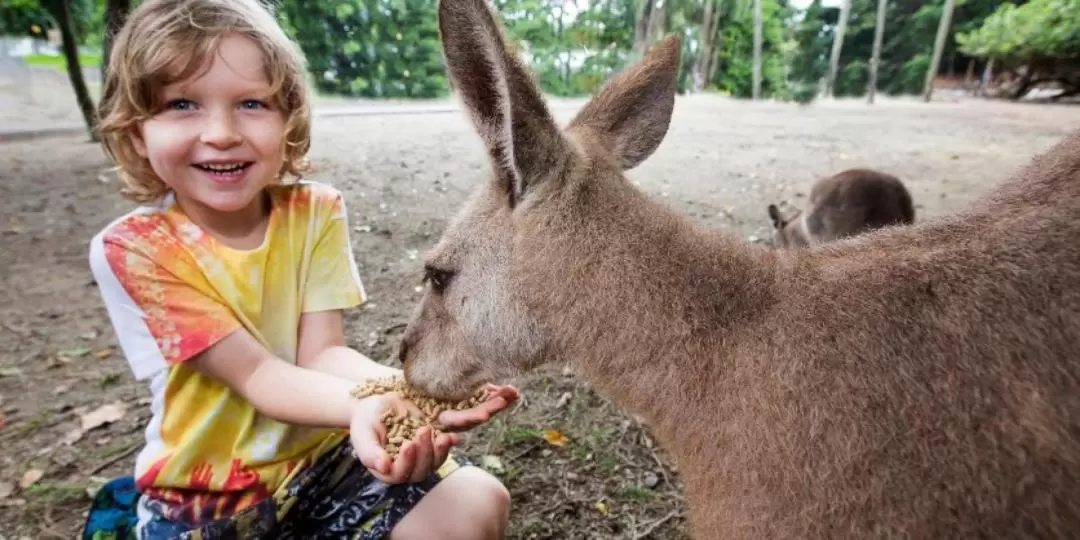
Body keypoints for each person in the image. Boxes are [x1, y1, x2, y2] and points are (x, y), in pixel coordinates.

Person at [82, 0, 518, 538]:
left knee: (477, 502)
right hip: (210, 498)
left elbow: (322, 354)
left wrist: (420, 391)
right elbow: (258, 377)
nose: (221, 132)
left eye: (251, 103)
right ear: (135, 134)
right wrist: (374, 408)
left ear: (289, 119)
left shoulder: (314, 211)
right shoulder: (136, 248)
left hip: (321, 460)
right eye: (181, 104)